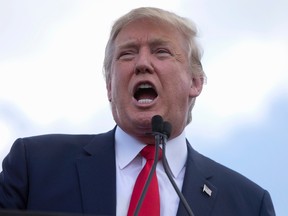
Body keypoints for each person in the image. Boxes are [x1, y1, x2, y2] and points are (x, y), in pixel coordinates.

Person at [0, 7, 275, 216]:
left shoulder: (248, 203)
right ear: (109, 86)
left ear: (195, 82)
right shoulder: (34, 166)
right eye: (127, 54)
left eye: (162, 52)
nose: (142, 63)